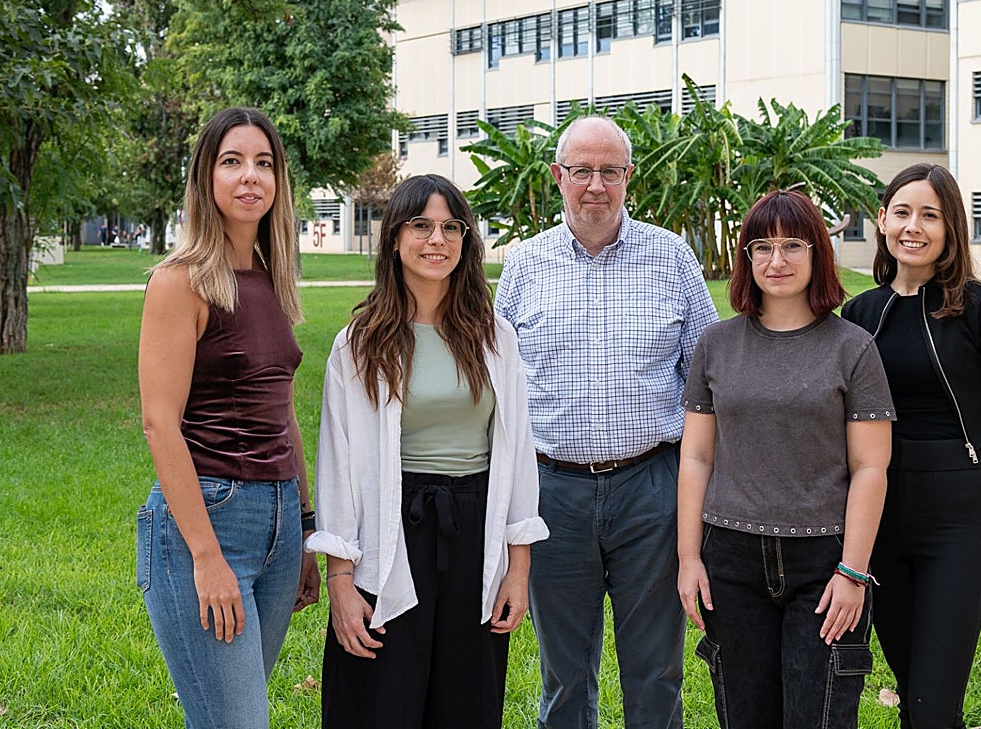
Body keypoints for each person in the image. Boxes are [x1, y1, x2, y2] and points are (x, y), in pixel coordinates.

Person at [495, 115, 718, 729]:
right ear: (558, 176)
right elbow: (497, 383)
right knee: (564, 674)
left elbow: (707, 381)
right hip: (553, 492)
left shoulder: (672, 257)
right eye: (582, 171)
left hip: (653, 490)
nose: (595, 185)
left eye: (609, 172)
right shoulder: (524, 265)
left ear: (628, 177)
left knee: (656, 670)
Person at [306, 173, 548, 728]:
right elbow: (339, 465)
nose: (436, 239)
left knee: (466, 704)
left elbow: (517, 453)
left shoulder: (494, 337)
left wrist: (518, 568)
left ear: (465, 241)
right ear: (394, 238)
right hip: (390, 530)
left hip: (474, 530)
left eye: (450, 227)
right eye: (420, 225)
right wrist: (341, 581)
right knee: (379, 701)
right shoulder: (360, 343)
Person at [676, 189, 894, 729]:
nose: (777, 260)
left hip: (825, 562)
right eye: (763, 247)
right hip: (730, 560)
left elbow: (871, 468)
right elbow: (697, 457)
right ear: (747, 258)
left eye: (793, 245)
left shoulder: (853, 348)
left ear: (818, 252)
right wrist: (688, 558)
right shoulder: (716, 344)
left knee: (819, 718)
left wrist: (853, 572)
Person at [136, 106, 319, 729]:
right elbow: (160, 423)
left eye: (264, 163)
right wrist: (206, 556)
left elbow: (282, 411)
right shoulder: (179, 282)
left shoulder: (272, 278)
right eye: (232, 162)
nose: (250, 176)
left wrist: (304, 526)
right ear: (205, 177)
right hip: (209, 519)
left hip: (279, 524)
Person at [842, 163, 981, 729]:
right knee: (913, 694)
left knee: (933, 706)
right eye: (902, 212)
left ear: (951, 227)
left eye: (930, 215)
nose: (914, 227)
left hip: (955, 520)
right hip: (879, 521)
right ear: (882, 220)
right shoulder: (860, 314)